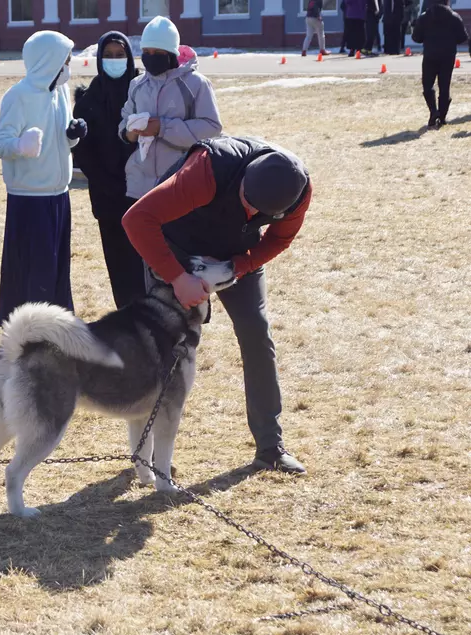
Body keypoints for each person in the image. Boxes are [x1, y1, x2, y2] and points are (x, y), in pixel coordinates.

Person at [122, 136, 312, 475]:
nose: (252, 213)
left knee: (257, 332)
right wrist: (178, 276)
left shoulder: (297, 191)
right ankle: (145, 452)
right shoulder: (207, 170)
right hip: (175, 244)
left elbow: (279, 238)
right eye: (247, 203)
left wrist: (238, 266)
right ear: (242, 181)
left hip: (237, 254)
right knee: (164, 346)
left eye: (262, 213)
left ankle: (270, 447)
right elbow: (137, 219)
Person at [0, 31, 84, 326]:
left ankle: (56, 322)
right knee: (35, 267)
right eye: (64, 61)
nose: (68, 67)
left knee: (57, 265)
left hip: (59, 193)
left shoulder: (60, 92)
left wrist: (72, 135)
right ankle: (30, 327)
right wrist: (20, 145)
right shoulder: (18, 96)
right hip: (29, 198)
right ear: (48, 61)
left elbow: (60, 140)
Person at [72, 32, 143, 309]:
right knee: (118, 260)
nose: (115, 60)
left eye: (120, 54)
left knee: (146, 259)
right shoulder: (88, 101)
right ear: (100, 60)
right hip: (107, 195)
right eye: (108, 55)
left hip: (143, 191)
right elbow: (83, 152)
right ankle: (126, 315)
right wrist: (108, 183)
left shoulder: (142, 91)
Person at [119, 18, 222, 195]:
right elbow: (123, 124)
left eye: (157, 52)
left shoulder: (196, 83)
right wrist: (130, 132)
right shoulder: (137, 85)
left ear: (171, 53)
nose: (150, 57)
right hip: (140, 186)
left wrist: (162, 127)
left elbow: (212, 128)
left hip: (181, 183)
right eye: (146, 51)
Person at [412, 0, 469, 128]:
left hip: (430, 55)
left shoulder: (424, 17)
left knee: (428, 84)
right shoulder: (454, 17)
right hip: (448, 56)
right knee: (444, 86)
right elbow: (462, 38)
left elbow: (416, 38)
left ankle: (433, 111)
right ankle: (442, 117)